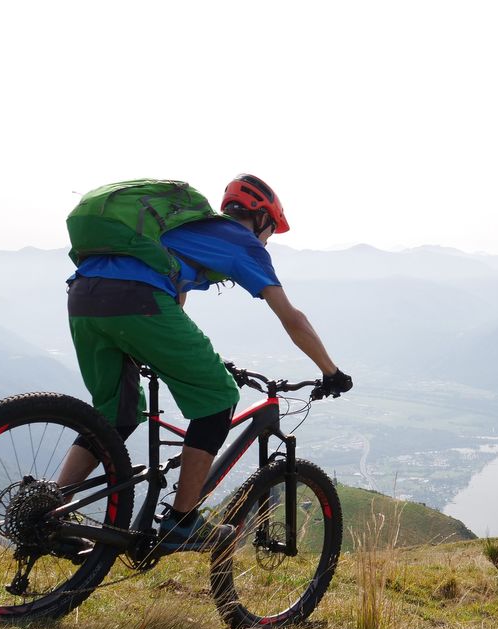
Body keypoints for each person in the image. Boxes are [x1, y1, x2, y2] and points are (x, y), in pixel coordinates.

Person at [54, 174, 353, 555]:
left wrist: (161, 352)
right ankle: (181, 521)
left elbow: (174, 299)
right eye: (271, 230)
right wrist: (331, 371)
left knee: (117, 415)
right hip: (137, 301)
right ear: (260, 218)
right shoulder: (244, 243)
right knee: (219, 396)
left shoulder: (180, 228)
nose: (267, 239)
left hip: (83, 297)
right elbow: (292, 318)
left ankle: (52, 510)